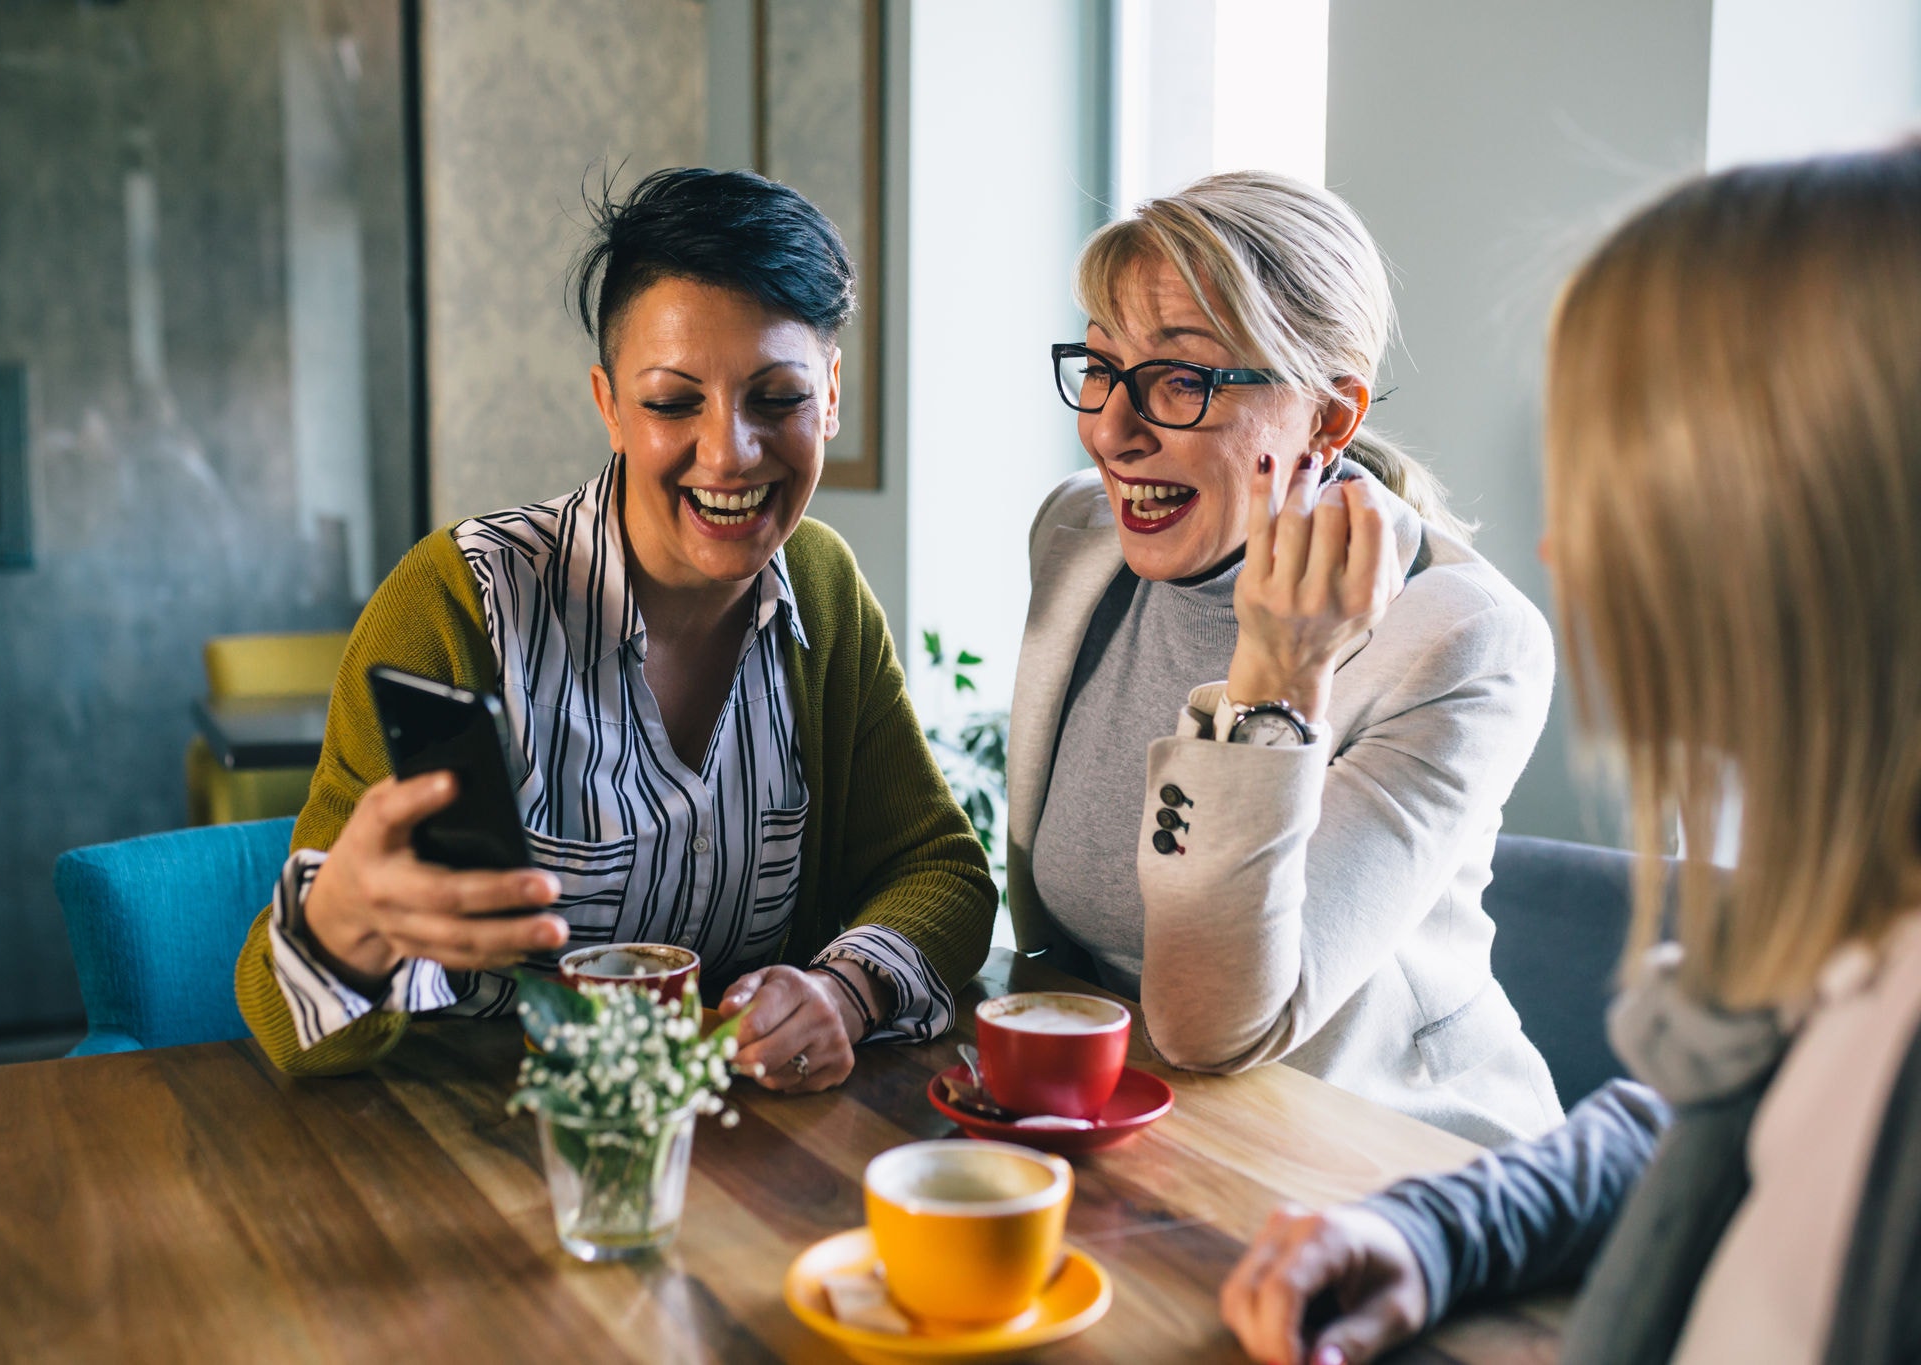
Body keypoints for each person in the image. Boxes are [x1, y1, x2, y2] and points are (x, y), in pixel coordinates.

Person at [1220, 140, 1921, 1365]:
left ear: (1829, 526)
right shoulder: (1860, 942)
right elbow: (1702, 1123)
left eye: (1625, 487)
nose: (1561, 549)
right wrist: (1437, 1229)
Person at [234, 168, 997, 1089]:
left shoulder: (824, 591)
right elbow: (288, 1028)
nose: (729, 453)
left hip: (734, 1148)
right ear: (609, 405)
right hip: (475, 1141)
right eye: (675, 402)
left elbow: (940, 868)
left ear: (830, 393)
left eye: (778, 398)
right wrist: (341, 926)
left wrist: (844, 991)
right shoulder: (459, 604)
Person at [1008, 171, 1560, 1144]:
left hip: (1378, 1160)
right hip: (1142, 1130)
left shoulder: (1461, 640)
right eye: (1098, 367)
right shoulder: (1076, 538)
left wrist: (1275, 680)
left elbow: (1213, 1026)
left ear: (1328, 419)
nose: (1107, 429)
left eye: (1179, 381)